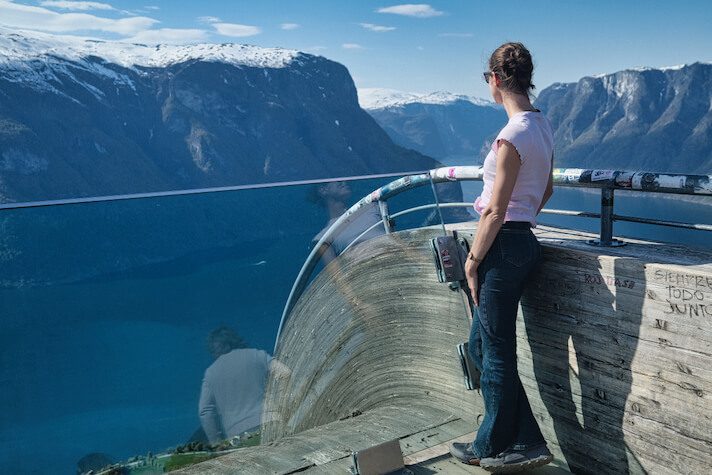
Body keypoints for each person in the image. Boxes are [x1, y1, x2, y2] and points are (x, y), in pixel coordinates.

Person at [449, 42, 555, 472]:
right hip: (524, 241)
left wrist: (474, 260)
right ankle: (527, 440)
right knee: (482, 342)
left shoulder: (510, 136)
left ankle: (488, 446)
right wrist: (523, 217)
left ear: (495, 80)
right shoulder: (541, 126)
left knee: (494, 350)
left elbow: (494, 208)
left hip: (502, 245)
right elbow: (545, 189)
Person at [198, 326, 271, 444]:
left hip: (238, 435)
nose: (214, 355)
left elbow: (205, 412)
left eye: (213, 351)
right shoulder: (257, 355)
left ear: (225, 346)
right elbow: (284, 373)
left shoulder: (211, 373)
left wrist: (217, 444)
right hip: (271, 424)